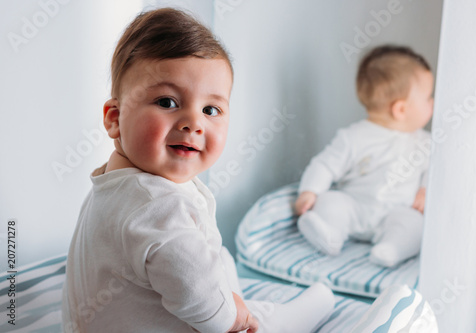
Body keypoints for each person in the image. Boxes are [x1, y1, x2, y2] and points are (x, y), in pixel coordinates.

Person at [61, 8, 335, 333]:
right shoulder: (160, 207)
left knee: (218, 261)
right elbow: (216, 319)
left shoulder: (109, 186)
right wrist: (237, 315)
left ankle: (227, 284)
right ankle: (299, 312)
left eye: (211, 109)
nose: (194, 123)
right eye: (167, 102)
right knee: (259, 320)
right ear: (114, 118)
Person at [295, 45, 434, 268]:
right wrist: (309, 191)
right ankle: (330, 234)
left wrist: (426, 189)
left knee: (415, 224)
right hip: (355, 207)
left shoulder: (426, 143)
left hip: (396, 213)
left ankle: (391, 249)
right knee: (331, 201)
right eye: (428, 98)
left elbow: (434, 169)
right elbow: (325, 165)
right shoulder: (353, 137)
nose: (432, 103)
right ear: (400, 109)